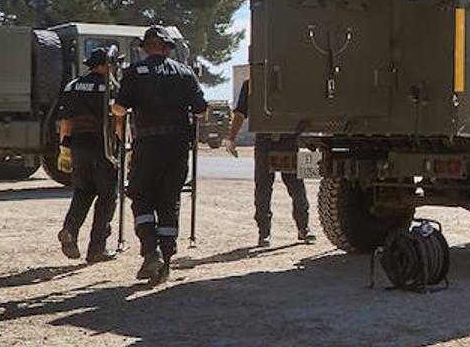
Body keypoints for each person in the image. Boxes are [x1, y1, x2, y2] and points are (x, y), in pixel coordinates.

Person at [110, 25, 207, 285]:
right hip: (177, 147)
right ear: (167, 49)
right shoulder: (184, 73)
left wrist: (113, 107)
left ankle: (150, 250)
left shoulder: (134, 72)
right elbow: (200, 110)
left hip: (147, 144)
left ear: (145, 49)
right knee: (169, 200)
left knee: (141, 196)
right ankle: (166, 263)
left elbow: (120, 108)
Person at [226, 77, 315, 246]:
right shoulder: (251, 83)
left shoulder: (293, 81)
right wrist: (231, 138)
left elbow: (306, 108)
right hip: (265, 141)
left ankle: (304, 228)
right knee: (263, 189)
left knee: (296, 187)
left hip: (289, 140)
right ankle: (264, 233)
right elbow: (240, 113)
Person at [56, 48, 119, 263]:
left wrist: (64, 147)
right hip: (104, 147)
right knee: (107, 196)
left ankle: (70, 230)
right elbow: (119, 122)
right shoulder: (111, 87)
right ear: (104, 65)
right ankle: (97, 249)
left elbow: (65, 121)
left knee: (83, 191)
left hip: (78, 146)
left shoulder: (73, 85)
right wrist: (127, 148)